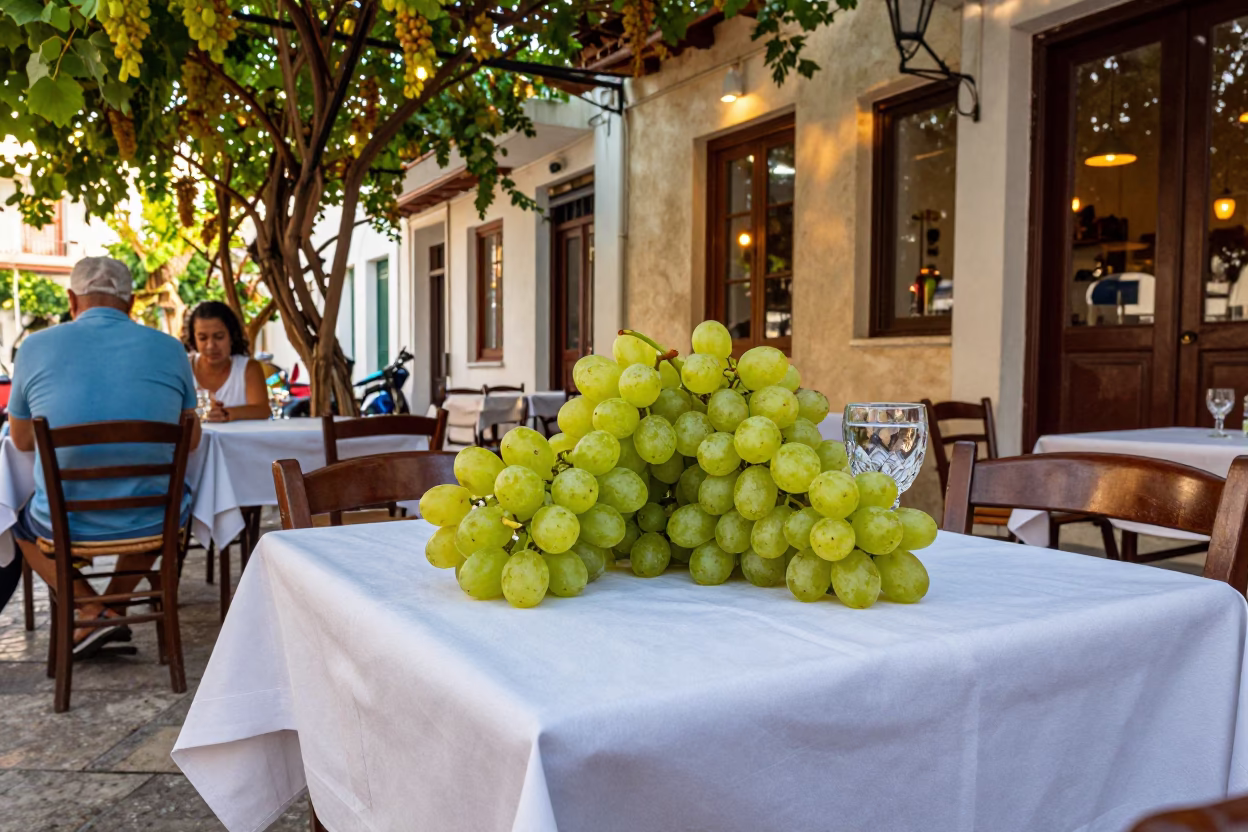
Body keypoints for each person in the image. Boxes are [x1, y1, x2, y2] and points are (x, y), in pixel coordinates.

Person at [3, 257, 202, 655]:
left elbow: (23, 442)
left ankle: (94, 610)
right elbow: (191, 438)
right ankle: (110, 609)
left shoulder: (34, 347)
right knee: (170, 508)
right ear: (130, 305)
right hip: (153, 518)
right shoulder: (170, 348)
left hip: (63, 520)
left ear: (71, 299)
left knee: (17, 525)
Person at [184, 301, 270, 422]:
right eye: (202, 338)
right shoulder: (182, 367)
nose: (210, 346)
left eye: (219, 337)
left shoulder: (248, 368)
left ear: (232, 336)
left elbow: (262, 410)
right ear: (194, 339)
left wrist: (226, 413)